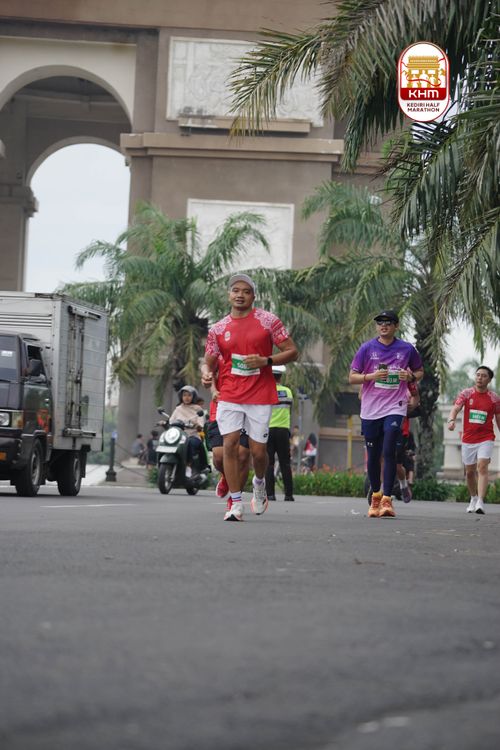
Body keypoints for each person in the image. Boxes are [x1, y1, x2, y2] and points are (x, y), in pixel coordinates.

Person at [202, 272, 298, 521]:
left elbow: (292, 351)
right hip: (230, 394)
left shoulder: (268, 321)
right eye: (236, 290)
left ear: (253, 296)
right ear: (229, 295)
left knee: (258, 452)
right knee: (230, 445)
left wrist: (266, 360)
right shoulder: (218, 329)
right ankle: (235, 503)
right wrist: (205, 373)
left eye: (246, 291)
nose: (240, 295)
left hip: (259, 394)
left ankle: (259, 483)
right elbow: (208, 361)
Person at [349, 309, 423, 518]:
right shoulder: (367, 348)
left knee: (389, 450)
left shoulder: (407, 349)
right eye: (380, 323)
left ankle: (387, 500)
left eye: (388, 323)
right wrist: (371, 376)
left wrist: (410, 376)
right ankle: (375, 496)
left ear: (396, 326)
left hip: (395, 407)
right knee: (373, 456)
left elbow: (419, 371)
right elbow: (352, 377)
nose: (384, 326)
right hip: (371, 410)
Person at [447, 365, 500, 514]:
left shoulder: (494, 398)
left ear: (489, 380)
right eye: (478, 375)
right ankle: (473, 498)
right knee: (470, 472)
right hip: (468, 439)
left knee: (482, 467)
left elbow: (498, 418)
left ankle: (481, 502)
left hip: (486, 438)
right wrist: (451, 420)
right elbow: (455, 408)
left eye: (483, 376)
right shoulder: (466, 394)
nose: (480, 378)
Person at [265, 365, 295, 502]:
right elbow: (290, 409)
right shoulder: (288, 392)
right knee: (285, 463)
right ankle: (289, 495)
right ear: (280, 377)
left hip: (268, 430)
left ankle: (270, 494)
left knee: (269, 463)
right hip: (283, 430)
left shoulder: (266, 390)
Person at [168, 385, 206, 476]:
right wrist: (165, 423)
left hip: (192, 435)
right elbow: (171, 420)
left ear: (193, 396)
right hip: (179, 436)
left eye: (189, 395)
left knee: (190, 443)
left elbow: (201, 423)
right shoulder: (178, 409)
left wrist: (197, 425)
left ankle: (188, 466)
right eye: (184, 395)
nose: (187, 397)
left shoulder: (198, 409)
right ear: (181, 397)